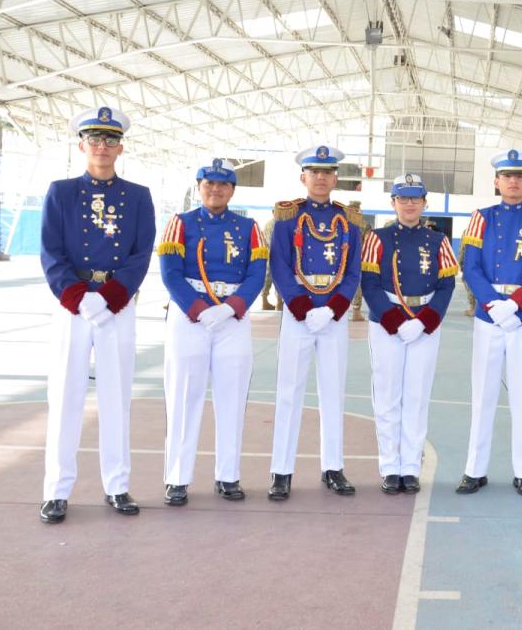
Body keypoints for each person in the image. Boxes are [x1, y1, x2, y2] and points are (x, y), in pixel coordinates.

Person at [38, 106, 155, 523]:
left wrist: (109, 297)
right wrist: (78, 296)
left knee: (116, 396)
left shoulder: (138, 196)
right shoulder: (61, 192)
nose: (102, 146)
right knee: (64, 396)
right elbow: (50, 251)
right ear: (81, 145)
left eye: (110, 140)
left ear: (120, 147)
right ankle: (56, 490)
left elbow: (141, 253)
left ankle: (117, 485)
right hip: (73, 306)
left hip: (116, 306)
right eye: (94, 139)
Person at [157, 159, 268, 506]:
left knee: (232, 397)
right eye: (209, 184)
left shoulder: (249, 227)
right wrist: (198, 308)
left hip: (232, 318)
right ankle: (177, 478)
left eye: (223, 185)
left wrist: (231, 307)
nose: (215, 190)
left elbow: (257, 273)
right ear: (199, 187)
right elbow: (170, 272)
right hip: (190, 315)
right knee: (183, 396)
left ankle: (228, 475)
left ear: (232, 190)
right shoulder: (180, 223)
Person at [457, 149, 522, 497]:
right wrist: (492, 304)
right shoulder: (481, 218)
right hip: (489, 316)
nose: (513, 181)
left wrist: (516, 304)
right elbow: (470, 267)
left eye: (519, 176)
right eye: (507, 176)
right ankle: (475, 470)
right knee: (482, 394)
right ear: (496, 182)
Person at [267, 146, 362, 500]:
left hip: (333, 316)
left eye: (327, 172)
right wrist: (302, 307)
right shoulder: (288, 216)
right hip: (299, 314)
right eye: (314, 172)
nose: (321, 178)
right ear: (303, 177)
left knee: (333, 392)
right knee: (288, 392)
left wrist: (334, 308)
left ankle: (333, 467)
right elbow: (279, 264)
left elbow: (353, 270)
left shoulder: (349, 221)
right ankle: (281, 471)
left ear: (336, 179)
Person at [360, 174, 458, 494]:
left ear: (425, 203)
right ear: (393, 203)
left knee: (417, 396)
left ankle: (411, 467)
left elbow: (446, 285)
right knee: (388, 395)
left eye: (415, 198)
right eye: (403, 198)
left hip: (424, 324)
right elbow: (369, 283)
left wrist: (425, 320)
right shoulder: (377, 238)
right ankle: (390, 467)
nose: (410, 204)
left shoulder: (438, 241)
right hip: (387, 323)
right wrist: (393, 320)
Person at [347, 200, 369, 321]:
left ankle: (354, 311)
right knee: (356, 283)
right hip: (355, 258)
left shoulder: (341, 221)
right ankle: (355, 312)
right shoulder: (363, 224)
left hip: (347, 259)